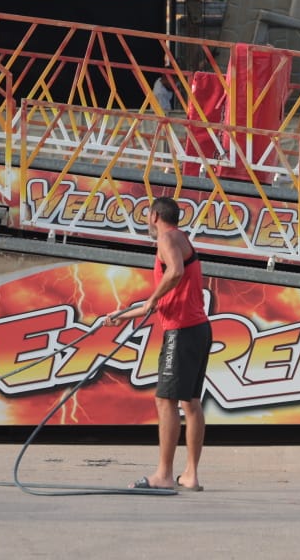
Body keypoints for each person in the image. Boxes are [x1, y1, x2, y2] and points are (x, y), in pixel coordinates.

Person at [105, 196, 211, 491]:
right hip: (198, 328)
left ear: (154, 216)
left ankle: (164, 476)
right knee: (190, 402)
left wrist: (152, 298)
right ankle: (190, 475)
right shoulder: (180, 238)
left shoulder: (166, 239)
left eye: (147, 217)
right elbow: (161, 300)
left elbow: (174, 273)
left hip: (182, 331)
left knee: (166, 400)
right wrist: (120, 316)